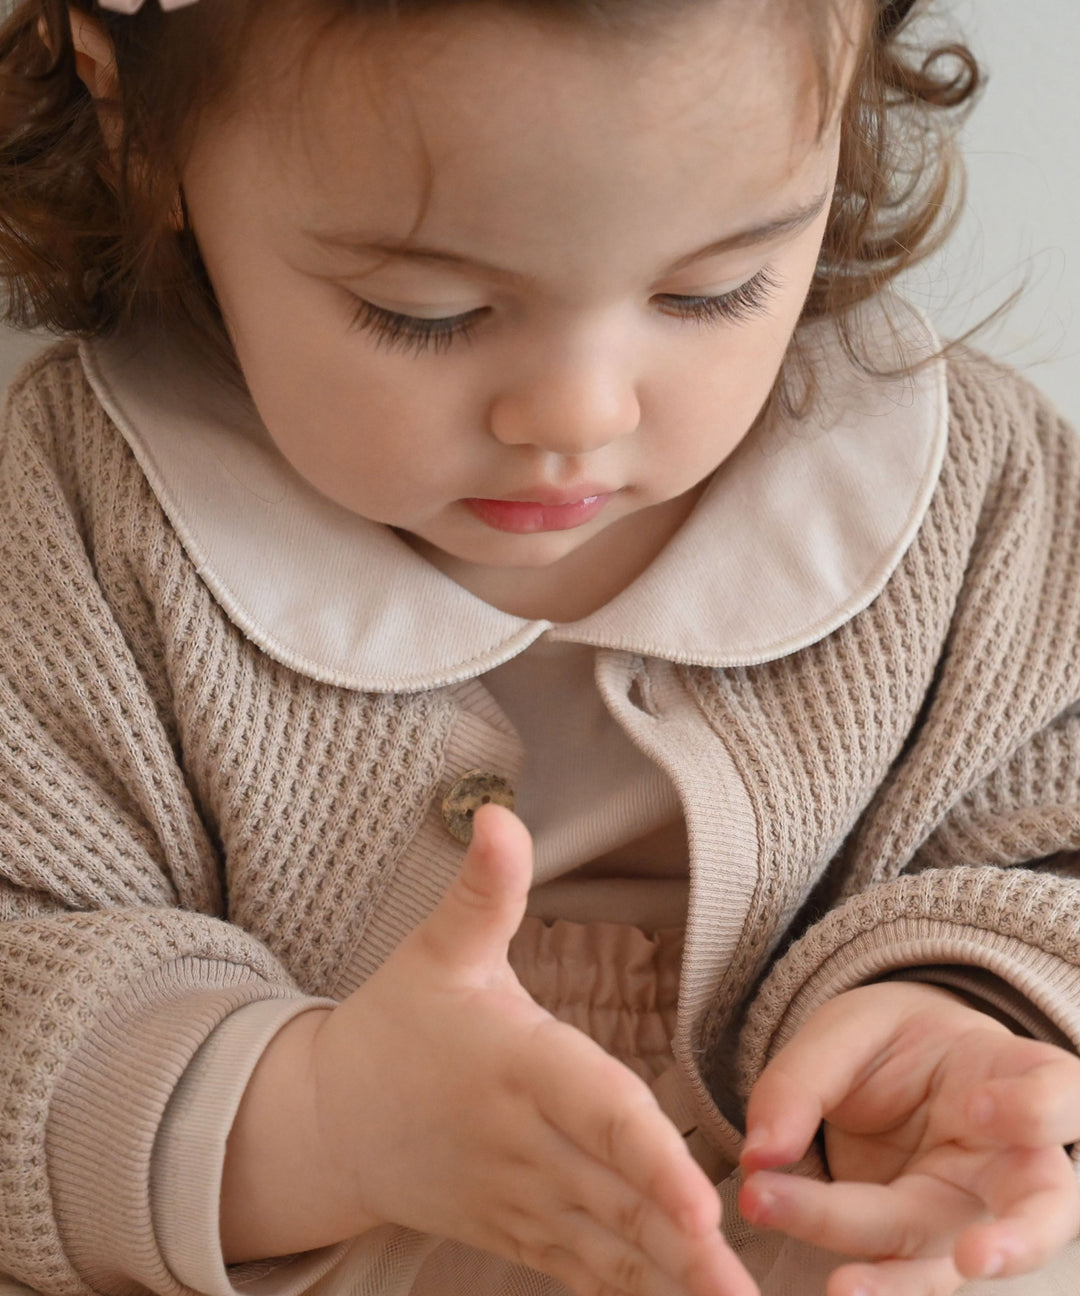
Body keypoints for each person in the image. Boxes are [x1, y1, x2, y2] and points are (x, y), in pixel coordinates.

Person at [1, 0, 1079, 1294]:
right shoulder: (74, 524)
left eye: (713, 290)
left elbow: (1043, 840)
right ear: (135, 125)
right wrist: (319, 1123)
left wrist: (959, 1011)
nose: (579, 414)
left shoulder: (974, 501)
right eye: (428, 310)